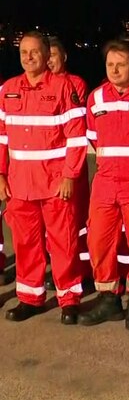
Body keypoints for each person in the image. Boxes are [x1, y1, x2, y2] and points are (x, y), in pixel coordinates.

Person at [0, 31, 88, 324]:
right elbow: (1, 139)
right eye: (23, 52)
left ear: (46, 53)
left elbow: (76, 137)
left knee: (63, 243)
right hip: (19, 184)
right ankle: (30, 298)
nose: (28, 57)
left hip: (54, 183)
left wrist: (69, 176)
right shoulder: (8, 89)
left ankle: (69, 299)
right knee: (26, 245)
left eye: (34, 52)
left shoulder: (63, 87)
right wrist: (0, 174)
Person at [80, 40, 129, 330]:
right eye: (110, 64)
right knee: (98, 239)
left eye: (121, 64)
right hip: (106, 180)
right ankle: (108, 298)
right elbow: (93, 137)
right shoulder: (96, 97)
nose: (114, 69)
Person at [47, 36, 91, 279]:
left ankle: (81, 270)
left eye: (54, 55)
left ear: (64, 57)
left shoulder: (75, 84)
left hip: (71, 164)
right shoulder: (37, 87)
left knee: (76, 219)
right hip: (47, 169)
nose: (50, 60)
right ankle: (57, 270)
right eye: (47, 55)